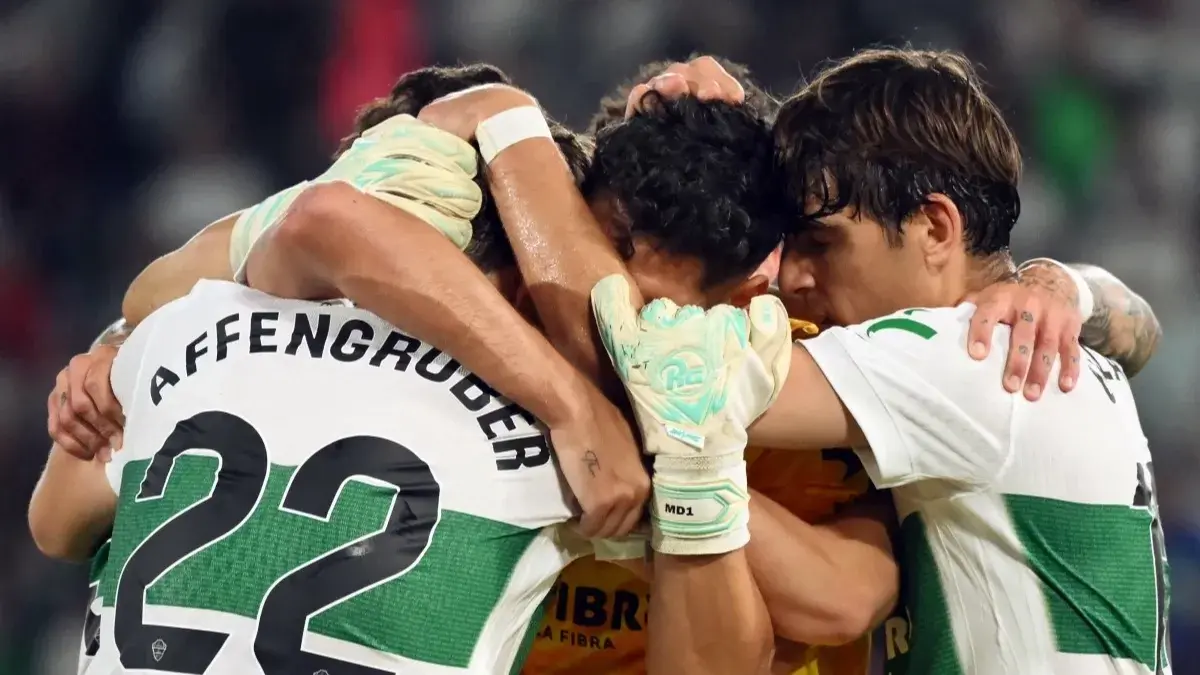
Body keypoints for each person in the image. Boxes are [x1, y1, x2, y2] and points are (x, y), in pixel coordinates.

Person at [44, 59, 1159, 675]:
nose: (808, 279)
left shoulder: (826, 352)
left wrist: (1072, 287)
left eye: (818, 247)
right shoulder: (529, 378)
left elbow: (844, 593)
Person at [30, 65, 644, 675]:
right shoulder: (556, 424)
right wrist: (501, 112)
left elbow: (54, 525)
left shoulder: (180, 333)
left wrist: (121, 347)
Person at [590, 48, 1169, 675]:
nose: (793, 276)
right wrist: (1069, 284)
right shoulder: (1037, 344)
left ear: (935, 228)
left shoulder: (959, 353)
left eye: (822, 242)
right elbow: (1140, 330)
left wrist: (613, 162)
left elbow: (675, 369)